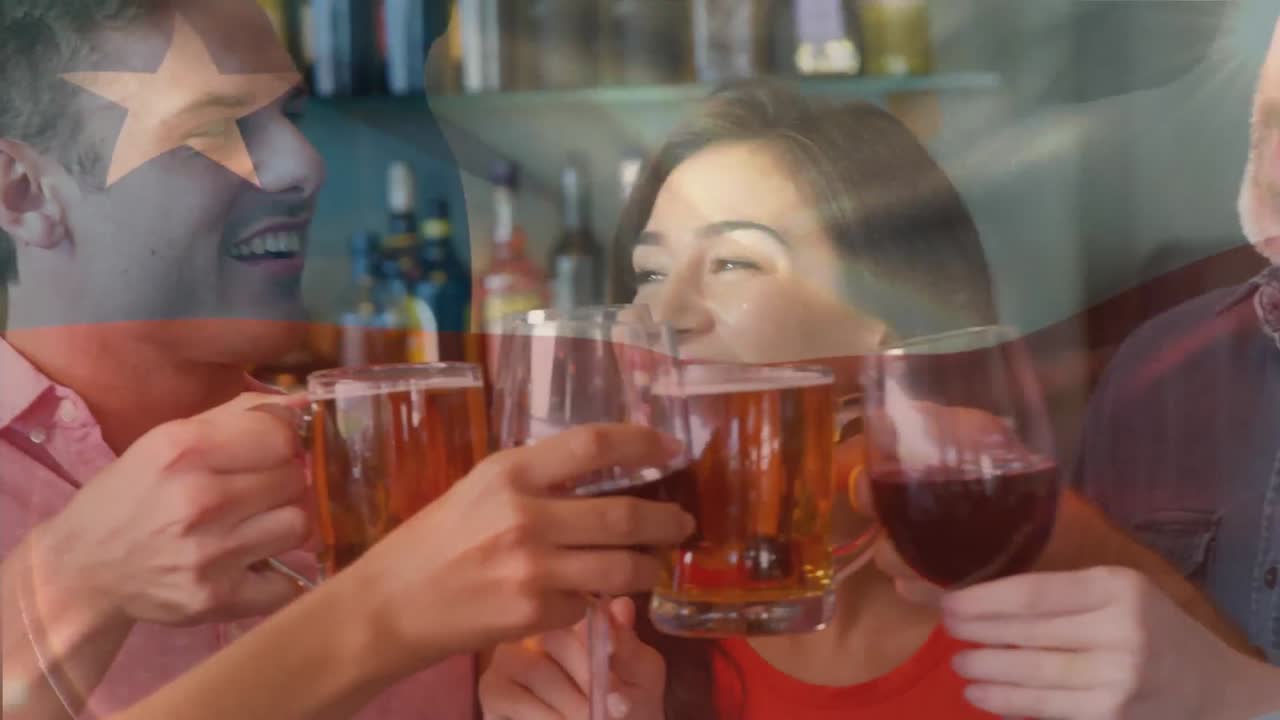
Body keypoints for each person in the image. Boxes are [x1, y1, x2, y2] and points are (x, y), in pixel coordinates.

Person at [478, 81, 1253, 720]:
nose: (667, 312)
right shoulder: (592, 622)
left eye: (736, 262)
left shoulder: (1056, 605)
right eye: (650, 272)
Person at [0, 2, 664, 718]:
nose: (303, 164)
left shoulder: (394, 462)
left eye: (293, 118)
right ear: (24, 193)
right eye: (214, 126)